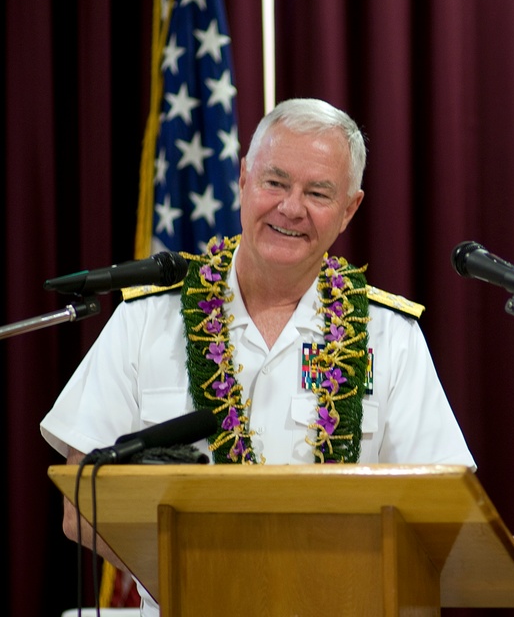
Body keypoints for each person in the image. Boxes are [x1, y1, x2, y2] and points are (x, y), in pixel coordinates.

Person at [40, 98, 475, 615]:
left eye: (317, 192)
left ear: (349, 209)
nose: (291, 208)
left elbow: (444, 512)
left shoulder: (390, 334)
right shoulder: (145, 319)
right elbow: (82, 502)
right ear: (244, 179)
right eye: (275, 182)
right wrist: (211, 585)